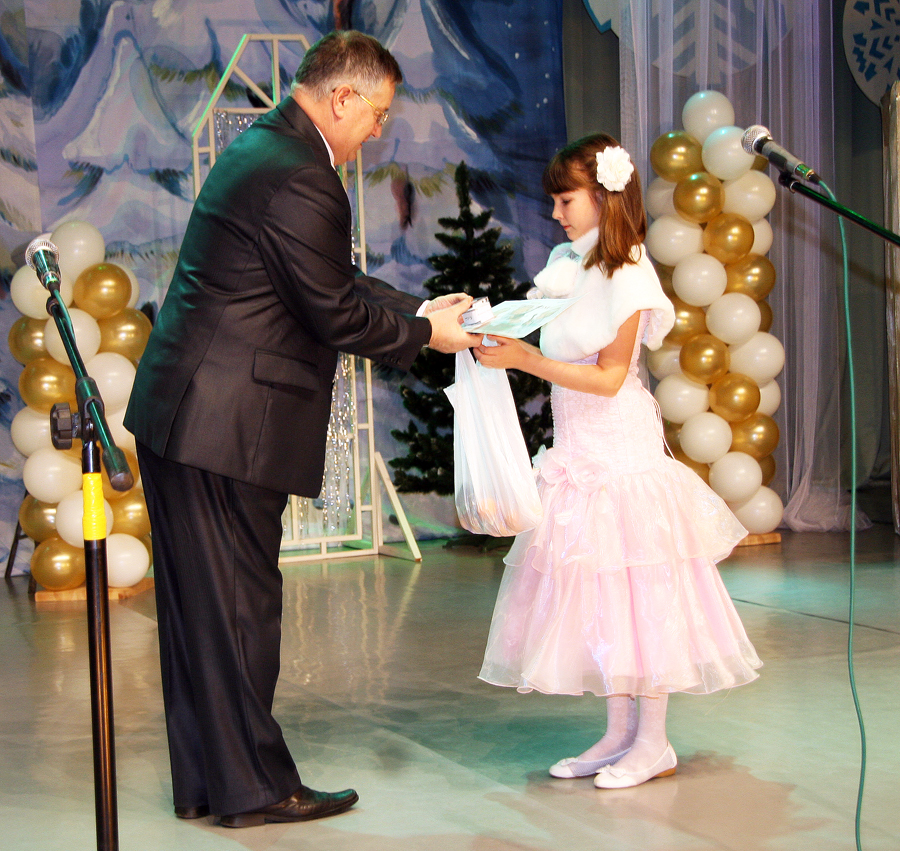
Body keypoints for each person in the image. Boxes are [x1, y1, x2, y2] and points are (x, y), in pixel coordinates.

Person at [124, 30, 477, 827]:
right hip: (224, 425)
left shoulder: (269, 148)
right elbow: (334, 310)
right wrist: (428, 336)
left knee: (202, 618)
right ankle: (255, 788)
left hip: (190, 416)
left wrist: (418, 308)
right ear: (343, 97)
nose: (378, 131)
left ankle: (212, 784)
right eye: (377, 113)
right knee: (239, 612)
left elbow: (327, 277)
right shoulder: (301, 173)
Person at [474, 134, 762, 789]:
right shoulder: (567, 263)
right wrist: (483, 328)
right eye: (554, 200)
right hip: (579, 448)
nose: (555, 212)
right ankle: (618, 732)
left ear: (604, 197)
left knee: (641, 592)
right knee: (603, 593)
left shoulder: (628, 270)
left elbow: (609, 376)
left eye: (566, 199)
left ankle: (653, 741)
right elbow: (535, 325)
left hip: (619, 448)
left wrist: (526, 359)